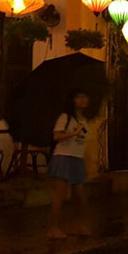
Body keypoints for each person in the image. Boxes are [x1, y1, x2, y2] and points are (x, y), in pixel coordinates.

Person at [47, 89, 93, 239]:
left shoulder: (84, 119)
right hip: (64, 157)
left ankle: (81, 225)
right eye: (79, 96)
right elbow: (57, 136)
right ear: (72, 100)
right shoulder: (65, 117)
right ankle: (53, 228)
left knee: (80, 195)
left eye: (84, 96)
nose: (83, 100)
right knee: (60, 194)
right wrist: (73, 133)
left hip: (77, 158)